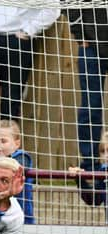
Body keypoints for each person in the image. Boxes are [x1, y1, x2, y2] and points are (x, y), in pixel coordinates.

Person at [0, 2, 60, 121]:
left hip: (17, 39)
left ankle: (14, 86)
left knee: (10, 106)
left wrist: (29, 30)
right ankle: (10, 82)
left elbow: (53, 8)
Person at [66, 6, 108, 171]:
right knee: (91, 106)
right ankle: (91, 165)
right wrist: (80, 33)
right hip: (91, 43)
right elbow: (69, 3)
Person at [69, 135, 108, 222]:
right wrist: (79, 178)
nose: (106, 155)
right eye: (103, 151)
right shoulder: (103, 173)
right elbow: (94, 200)